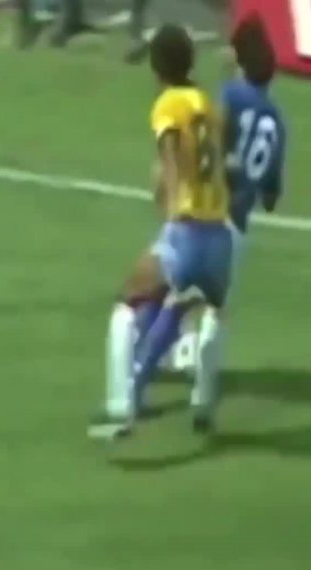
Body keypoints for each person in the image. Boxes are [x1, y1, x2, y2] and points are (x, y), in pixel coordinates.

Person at [88, 24, 233, 440]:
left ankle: (121, 408)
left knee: (128, 302)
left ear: (157, 68)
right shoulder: (207, 103)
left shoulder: (168, 104)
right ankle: (203, 403)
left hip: (186, 230)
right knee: (199, 308)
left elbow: (170, 155)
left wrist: (170, 200)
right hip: (219, 234)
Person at [166, 13, 287, 375]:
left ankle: (183, 351)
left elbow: (213, 139)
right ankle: (205, 376)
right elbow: (271, 196)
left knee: (181, 287)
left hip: (210, 212)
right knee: (216, 303)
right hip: (238, 226)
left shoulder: (231, 94)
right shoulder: (276, 120)